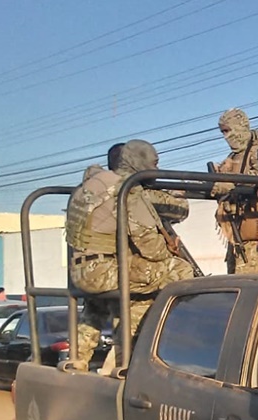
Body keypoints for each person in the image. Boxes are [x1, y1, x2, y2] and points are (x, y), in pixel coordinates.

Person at [65, 140, 195, 365]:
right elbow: (151, 248)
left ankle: (76, 360)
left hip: (82, 271)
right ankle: (127, 361)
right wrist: (170, 250)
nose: (155, 170)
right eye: (153, 164)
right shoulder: (127, 189)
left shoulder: (92, 184)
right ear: (139, 162)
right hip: (105, 271)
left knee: (99, 304)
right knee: (178, 270)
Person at [211, 108, 258, 274]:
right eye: (222, 132)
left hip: (251, 223)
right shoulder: (235, 155)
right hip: (235, 224)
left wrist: (228, 180)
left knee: (246, 278)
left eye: (227, 131)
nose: (225, 137)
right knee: (233, 276)